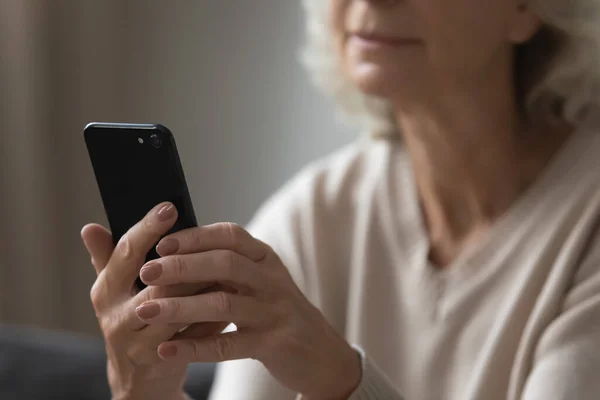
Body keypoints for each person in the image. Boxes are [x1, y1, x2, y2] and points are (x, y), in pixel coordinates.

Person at [80, 0, 600, 399]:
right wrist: (144, 390)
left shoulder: (586, 221)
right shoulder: (311, 217)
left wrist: (340, 381)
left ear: (527, 8)